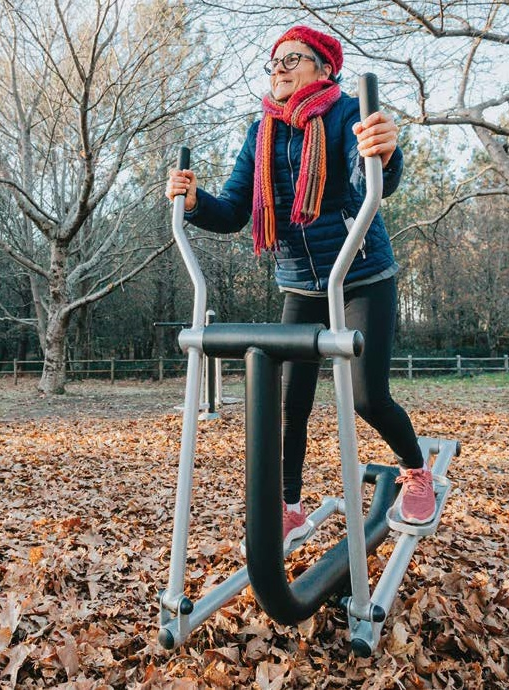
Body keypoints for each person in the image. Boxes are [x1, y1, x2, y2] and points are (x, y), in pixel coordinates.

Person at [165, 25, 435, 548]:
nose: (279, 68)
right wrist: (196, 201)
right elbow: (235, 212)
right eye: (274, 61)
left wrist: (385, 152)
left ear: (325, 68)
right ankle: (290, 508)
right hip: (301, 285)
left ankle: (417, 469)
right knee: (290, 404)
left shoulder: (347, 112)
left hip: (360, 275)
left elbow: (369, 184)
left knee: (366, 398)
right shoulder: (260, 132)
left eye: (293, 58)